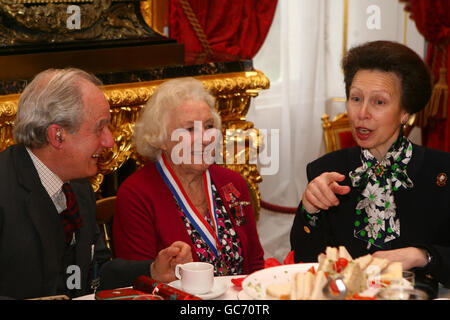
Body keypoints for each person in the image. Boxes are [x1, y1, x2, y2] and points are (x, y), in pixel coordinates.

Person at [0, 68, 192, 300]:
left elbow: (96, 275)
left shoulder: (79, 188)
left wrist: (152, 271)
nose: (109, 141)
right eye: (99, 128)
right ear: (57, 136)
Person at [290, 41, 450, 290]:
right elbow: (304, 261)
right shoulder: (327, 171)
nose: (362, 113)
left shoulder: (442, 172)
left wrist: (422, 256)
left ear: (405, 112)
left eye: (379, 102)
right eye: (356, 98)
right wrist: (309, 210)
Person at [113, 77, 265, 276]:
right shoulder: (136, 195)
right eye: (189, 129)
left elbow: (254, 263)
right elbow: (138, 281)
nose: (204, 138)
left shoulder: (233, 183)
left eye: (209, 126)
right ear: (161, 139)